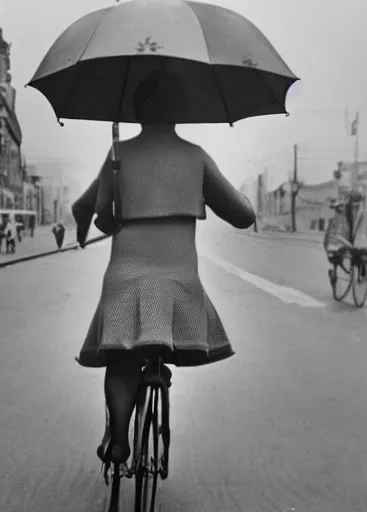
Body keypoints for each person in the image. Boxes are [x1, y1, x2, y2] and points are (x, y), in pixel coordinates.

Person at [71, 70, 256, 466]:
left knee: (122, 358)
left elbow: (102, 217)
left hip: (125, 275)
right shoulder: (195, 156)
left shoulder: (119, 155)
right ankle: (158, 374)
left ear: (136, 110)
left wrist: (115, 212)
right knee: (160, 344)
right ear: (183, 110)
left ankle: (119, 438)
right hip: (179, 279)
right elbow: (243, 216)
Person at [324, 191, 367, 282]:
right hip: (350, 244)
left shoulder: (346, 210)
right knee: (359, 254)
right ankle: (352, 272)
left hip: (345, 243)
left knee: (346, 255)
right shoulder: (364, 212)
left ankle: (339, 271)